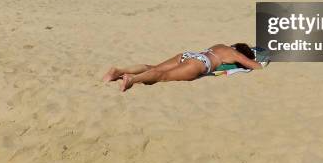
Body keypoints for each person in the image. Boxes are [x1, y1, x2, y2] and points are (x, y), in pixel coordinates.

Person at [103, 43, 262, 92]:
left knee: (155, 67)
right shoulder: (234, 53)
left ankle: (119, 71)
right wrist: (253, 59)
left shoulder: (221, 45)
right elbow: (254, 66)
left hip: (189, 55)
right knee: (161, 76)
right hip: (200, 63)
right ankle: (132, 79)